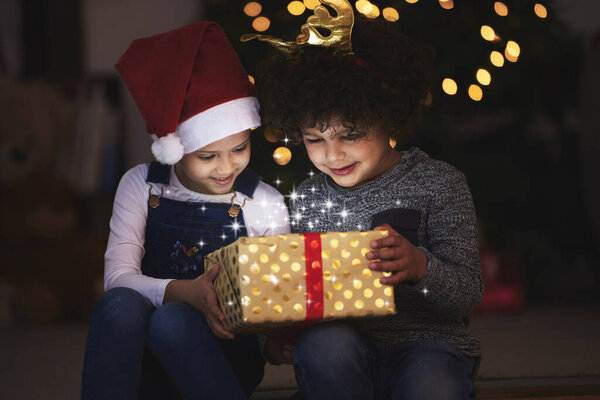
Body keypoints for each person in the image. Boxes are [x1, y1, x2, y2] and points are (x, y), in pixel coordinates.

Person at [255, 14, 483, 400]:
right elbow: (290, 295)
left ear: (388, 115)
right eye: (314, 139)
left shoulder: (439, 183)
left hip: (429, 347)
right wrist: (273, 339)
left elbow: (466, 292)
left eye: (352, 134)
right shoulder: (307, 200)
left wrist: (419, 266)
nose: (333, 154)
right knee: (323, 347)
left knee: (433, 386)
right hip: (341, 351)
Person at [80, 22, 290, 400]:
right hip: (146, 362)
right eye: (207, 156)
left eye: (240, 148)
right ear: (174, 149)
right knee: (120, 305)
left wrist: (275, 340)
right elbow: (118, 279)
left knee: (172, 320)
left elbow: (274, 298)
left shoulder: (265, 203)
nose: (227, 168)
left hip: (224, 356)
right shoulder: (141, 186)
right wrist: (184, 291)